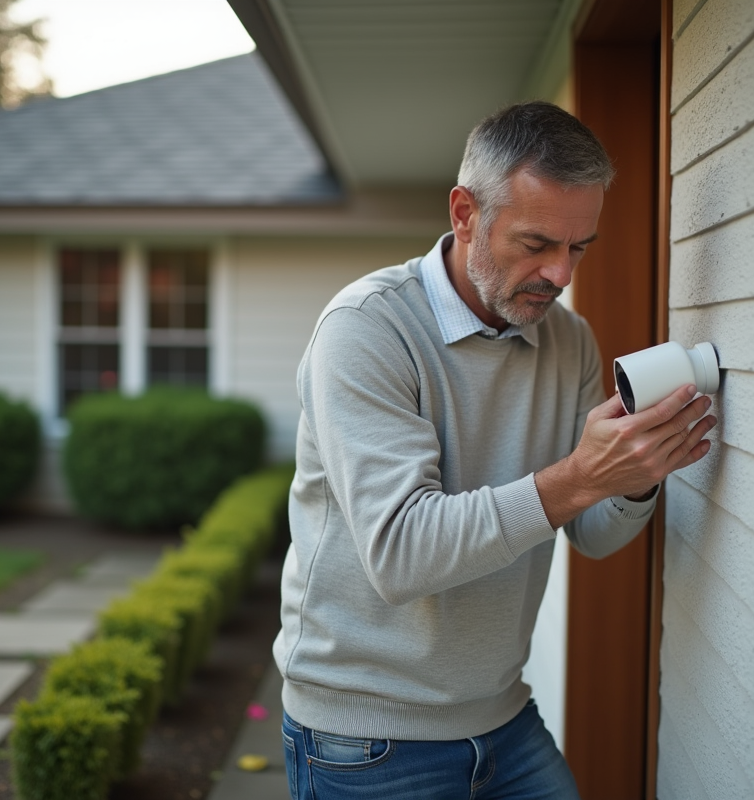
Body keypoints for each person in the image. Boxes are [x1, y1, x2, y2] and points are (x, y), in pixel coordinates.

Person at [273, 101, 717, 799]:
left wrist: (635, 476)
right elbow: (401, 554)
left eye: (579, 248)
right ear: (464, 213)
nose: (561, 274)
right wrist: (577, 477)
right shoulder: (367, 331)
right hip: (366, 739)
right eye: (536, 243)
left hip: (503, 717)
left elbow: (593, 536)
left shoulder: (568, 340)